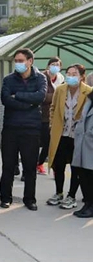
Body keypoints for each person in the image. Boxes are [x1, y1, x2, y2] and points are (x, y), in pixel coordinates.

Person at [0, 48, 47, 210]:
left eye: (21, 61)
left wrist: (17, 95)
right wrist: (29, 103)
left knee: (29, 166)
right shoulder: (8, 79)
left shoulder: (40, 78)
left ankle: (30, 199)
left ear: (30, 61)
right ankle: (5, 198)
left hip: (31, 128)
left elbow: (40, 96)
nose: (18, 64)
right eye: (16, 61)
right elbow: (6, 99)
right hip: (11, 128)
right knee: (8, 166)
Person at [46, 64, 92, 210]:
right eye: (69, 73)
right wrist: (52, 125)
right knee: (58, 164)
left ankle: (71, 196)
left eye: (74, 74)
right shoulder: (60, 89)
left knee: (76, 166)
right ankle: (58, 192)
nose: (71, 76)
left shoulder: (88, 92)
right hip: (61, 133)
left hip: (78, 136)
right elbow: (52, 108)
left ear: (82, 76)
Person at [38, 57, 65, 175]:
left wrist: (53, 97)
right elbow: (42, 96)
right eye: (53, 64)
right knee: (47, 142)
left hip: (57, 116)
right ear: (48, 66)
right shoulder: (41, 77)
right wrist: (55, 96)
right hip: (43, 116)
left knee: (55, 142)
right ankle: (39, 163)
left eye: (57, 65)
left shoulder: (61, 78)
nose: (55, 66)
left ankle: (54, 167)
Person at [72, 89, 93, 218]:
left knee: (91, 174)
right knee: (83, 174)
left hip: (90, 140)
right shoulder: (90, 97)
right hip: (83, 141)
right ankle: (88, 203)